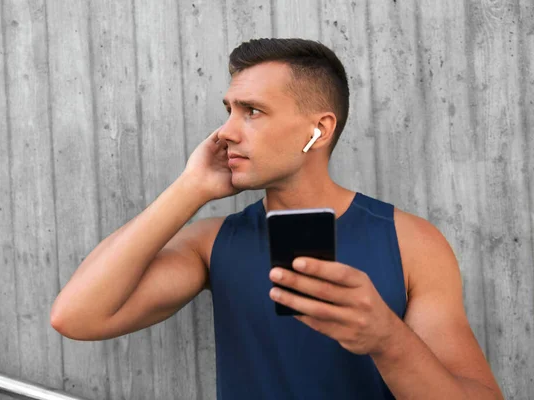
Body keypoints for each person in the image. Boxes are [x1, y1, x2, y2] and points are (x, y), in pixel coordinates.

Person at [50, 38, 503, 399]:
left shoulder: (411, 241)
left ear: (318, 130)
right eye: (228, 110)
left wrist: (387, 338)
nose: (226, 131)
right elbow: (76, 317)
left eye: (252, 111)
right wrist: (192, 188)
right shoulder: (212, 244)